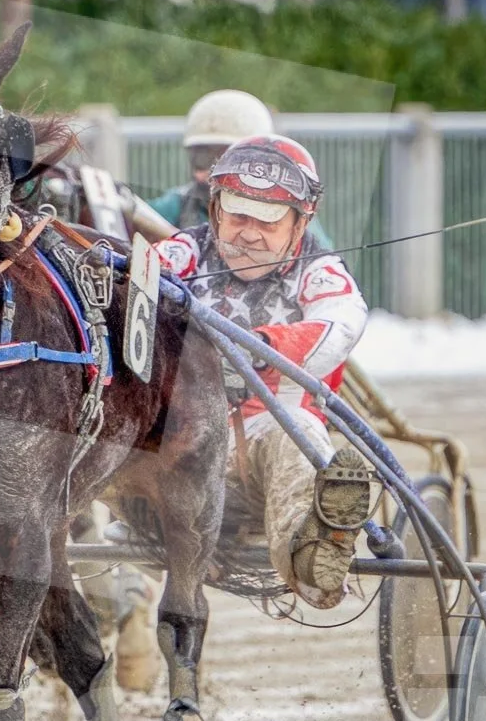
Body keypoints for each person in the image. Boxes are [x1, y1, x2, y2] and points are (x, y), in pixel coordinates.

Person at [154, 134, 372, 608]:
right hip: (182, 451)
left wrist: (262, 346)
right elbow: (141, 279)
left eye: (267, 220)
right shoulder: (183, 252)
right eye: (237, 215)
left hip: (264, 444)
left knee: (300, 435)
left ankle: (312, 553)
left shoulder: (321, 272)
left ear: (300, 221)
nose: (248, 233)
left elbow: (341, 324)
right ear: (215, 209)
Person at [150, 89, 336, 251]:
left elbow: (323, 262)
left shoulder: (291, 214)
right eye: (201, 157)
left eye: (224, 159)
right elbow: (132, 215)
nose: (209, 173)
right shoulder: (180, 205)